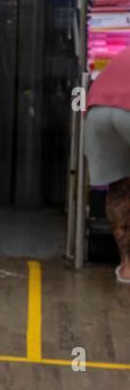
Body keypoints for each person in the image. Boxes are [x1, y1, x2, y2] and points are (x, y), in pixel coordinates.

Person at [86, 45, 130, 283]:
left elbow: (78, 93)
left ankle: (126, 267)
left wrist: (79, 114)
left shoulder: (120, 54)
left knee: (119, 187)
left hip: (97, 114)